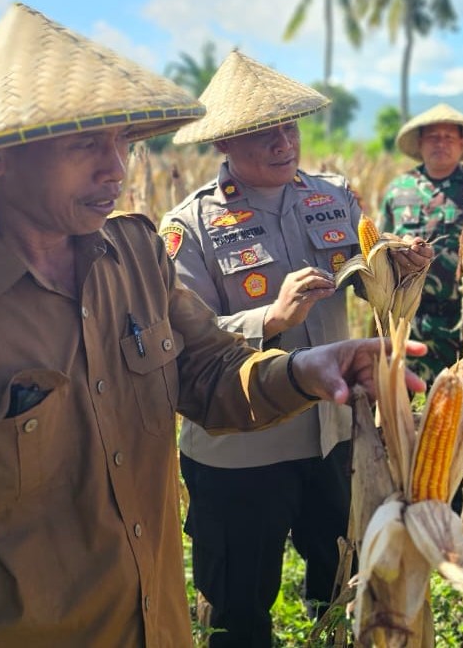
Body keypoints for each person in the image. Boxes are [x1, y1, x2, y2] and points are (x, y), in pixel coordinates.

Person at [0, 3, 425, 648]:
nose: (116, 169)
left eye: (122, 142)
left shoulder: (134, 254)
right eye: (84, 143)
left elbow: (208, 371)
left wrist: (303, 369)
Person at [160, 51, 432, 647]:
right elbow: (184, 342)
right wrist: (271, 317)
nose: (285, 143)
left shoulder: (333, 197)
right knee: (238, 611)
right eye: (265, 133)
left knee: (337, 586)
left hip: (332, 432)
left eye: (291, 127)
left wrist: (398, 267)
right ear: (225, 143)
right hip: (240, 448)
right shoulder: (190, 227)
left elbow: (364, 277)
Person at [379, 103, 463, 383]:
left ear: (462, 144)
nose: (441, 143)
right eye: (433, 137)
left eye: (449, 137)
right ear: (420, 143)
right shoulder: (397, 189)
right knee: (402, 405)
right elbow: (377, 249)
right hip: (406, 319)